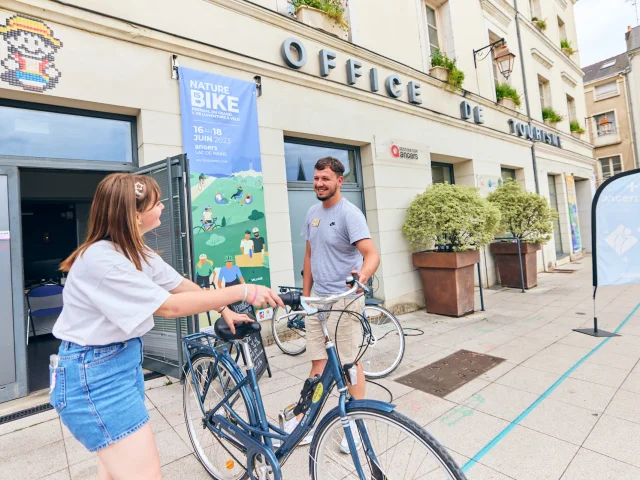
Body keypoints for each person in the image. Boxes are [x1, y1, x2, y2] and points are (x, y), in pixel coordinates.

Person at [51, 173, 282, 480]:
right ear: (135, 214)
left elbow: (180, 285)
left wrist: (224, 309)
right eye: (156, 202)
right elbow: (169, 306)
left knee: (112, 470)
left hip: (116, 363)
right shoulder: (102, 261)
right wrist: (243, 291)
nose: (162, 206)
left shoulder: (133, 251)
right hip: (93, 374)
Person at [288, 157, 379, 451]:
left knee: (349, 364)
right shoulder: (312, 213)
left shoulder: (350, 214)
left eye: (325, 179)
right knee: (318, 361)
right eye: (316, 179)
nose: (319, 184)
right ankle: (308, 420)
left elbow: (371, 254)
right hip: (317, 302)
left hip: (344, 301)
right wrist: (305, 296)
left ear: (339, 180)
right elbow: (309, 255)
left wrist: (361, 277)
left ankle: (354, 424)